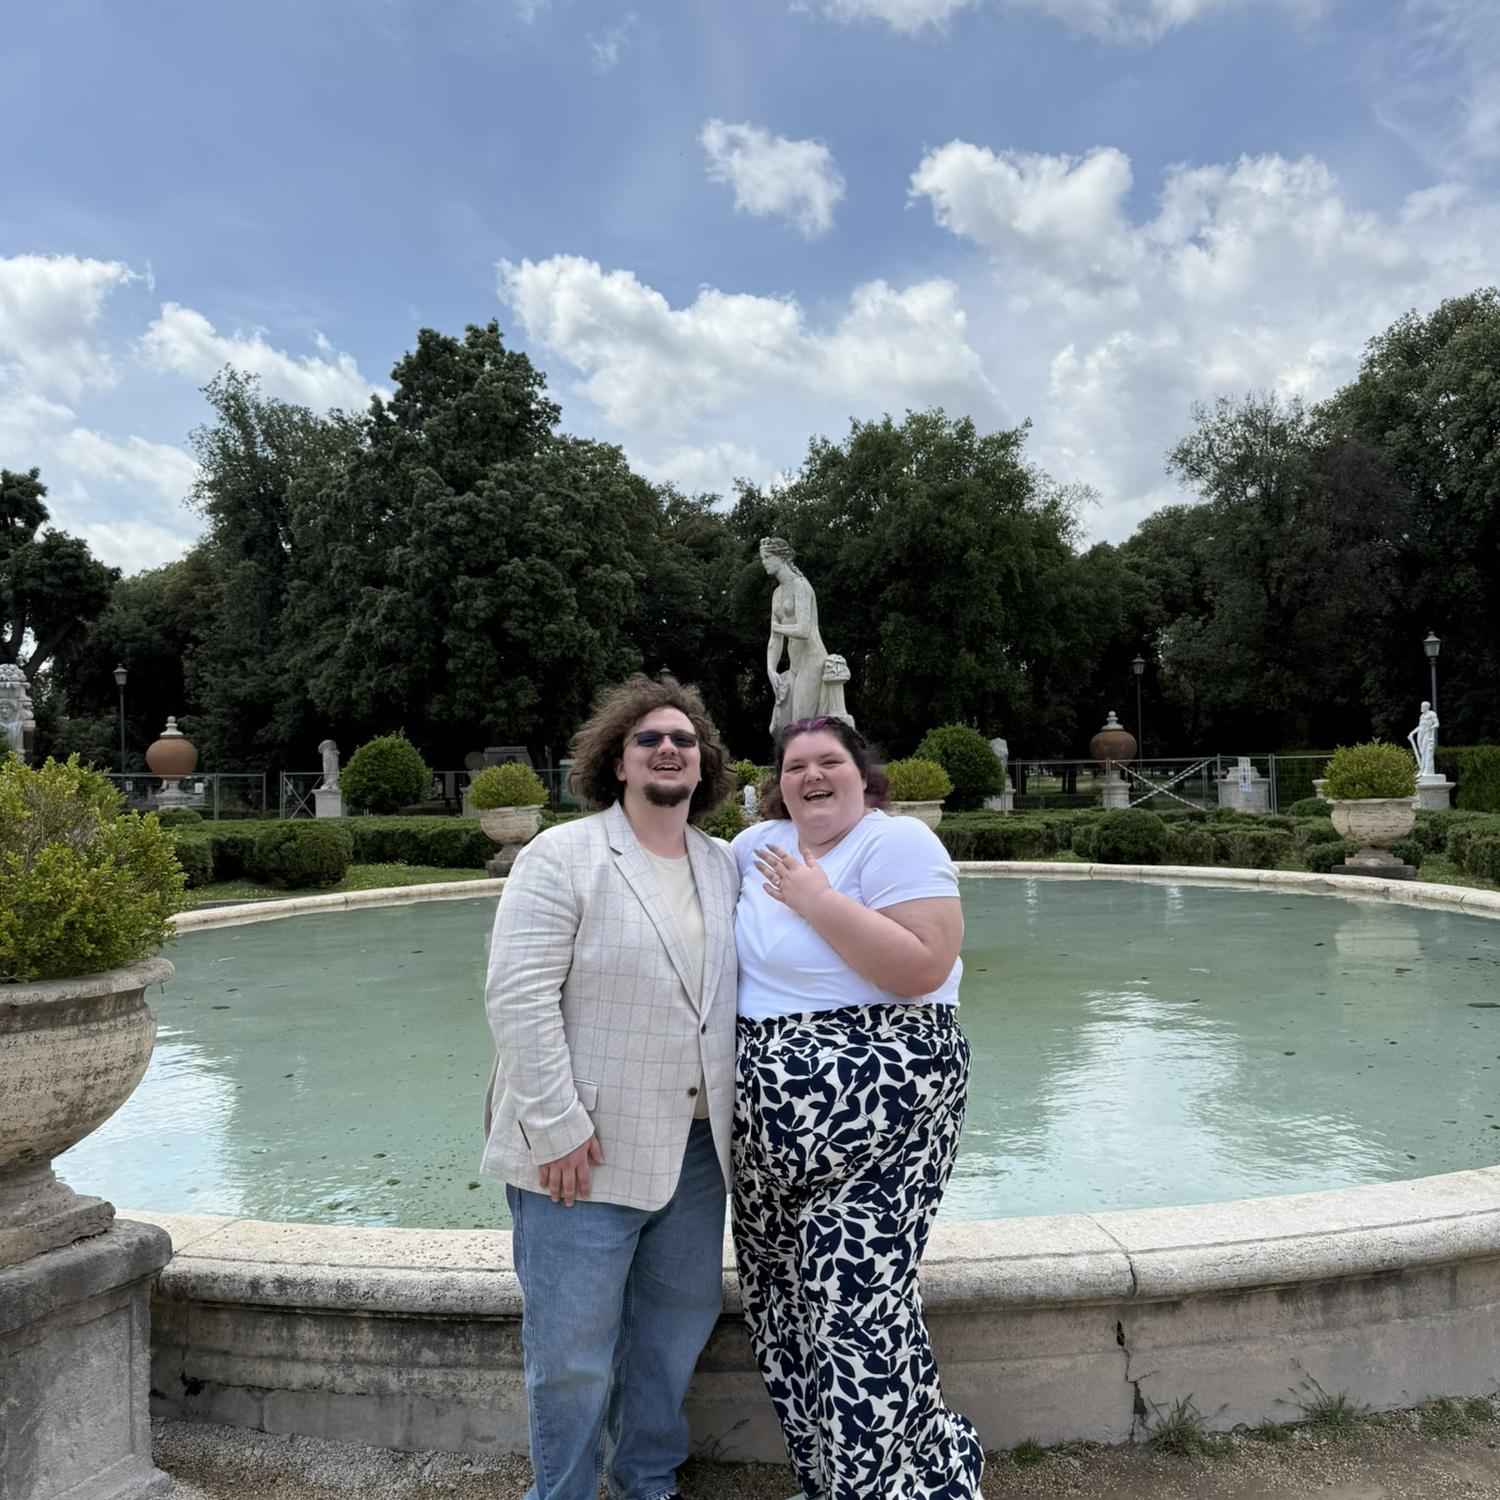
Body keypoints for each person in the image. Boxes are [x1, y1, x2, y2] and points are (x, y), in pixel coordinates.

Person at [480, 674, 739, 1500]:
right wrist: (554, 1126)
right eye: (649, 740)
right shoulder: (562, 855)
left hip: (697, 1151)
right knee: (570, 1355)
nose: (670, 749)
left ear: (704, 768)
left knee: (672, 1332)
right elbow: (518, 996)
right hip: (581, 1149)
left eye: (685, 742)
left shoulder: (724, 865)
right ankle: (562, 1494)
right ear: (616, 762)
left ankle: (647, 1479)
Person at [729, 715, 984, 1500]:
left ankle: (907, 1488)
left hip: (885, 1120)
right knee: (783, 1312)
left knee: (857, 1314)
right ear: (777, 783)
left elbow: (921, 966)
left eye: (829, 761)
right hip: (766, 1138)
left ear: (861, 774)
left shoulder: (895, 843)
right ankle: (826, 1478)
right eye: (794, 764)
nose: (811, 775)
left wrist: (815, 898)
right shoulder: (750, 850)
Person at [761, 537, 829, 737]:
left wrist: (777, 627)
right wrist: (771, 669)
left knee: (801, 725)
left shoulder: (801, 585)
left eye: (767, 557)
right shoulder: (777, 594)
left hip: (812, 660)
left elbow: (804, 630)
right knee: (780, 726)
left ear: (781, 557)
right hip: (795, 666)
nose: (764, 561)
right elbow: (775, 640)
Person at [1408, 701, 1439, 780]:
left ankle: (1423, 770)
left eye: (1423, 706)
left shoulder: (1432, 714)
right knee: (1422, 752)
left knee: (1424, 751)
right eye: (1421, 706)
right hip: (1420, 735)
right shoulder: (1422, 716)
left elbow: (1437, 724)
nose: (1421, 708)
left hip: (1427, 734)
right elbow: (1420, 727)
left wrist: (1431, 728)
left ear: (1427, 707)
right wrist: (1412, 732)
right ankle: (1422, 769)